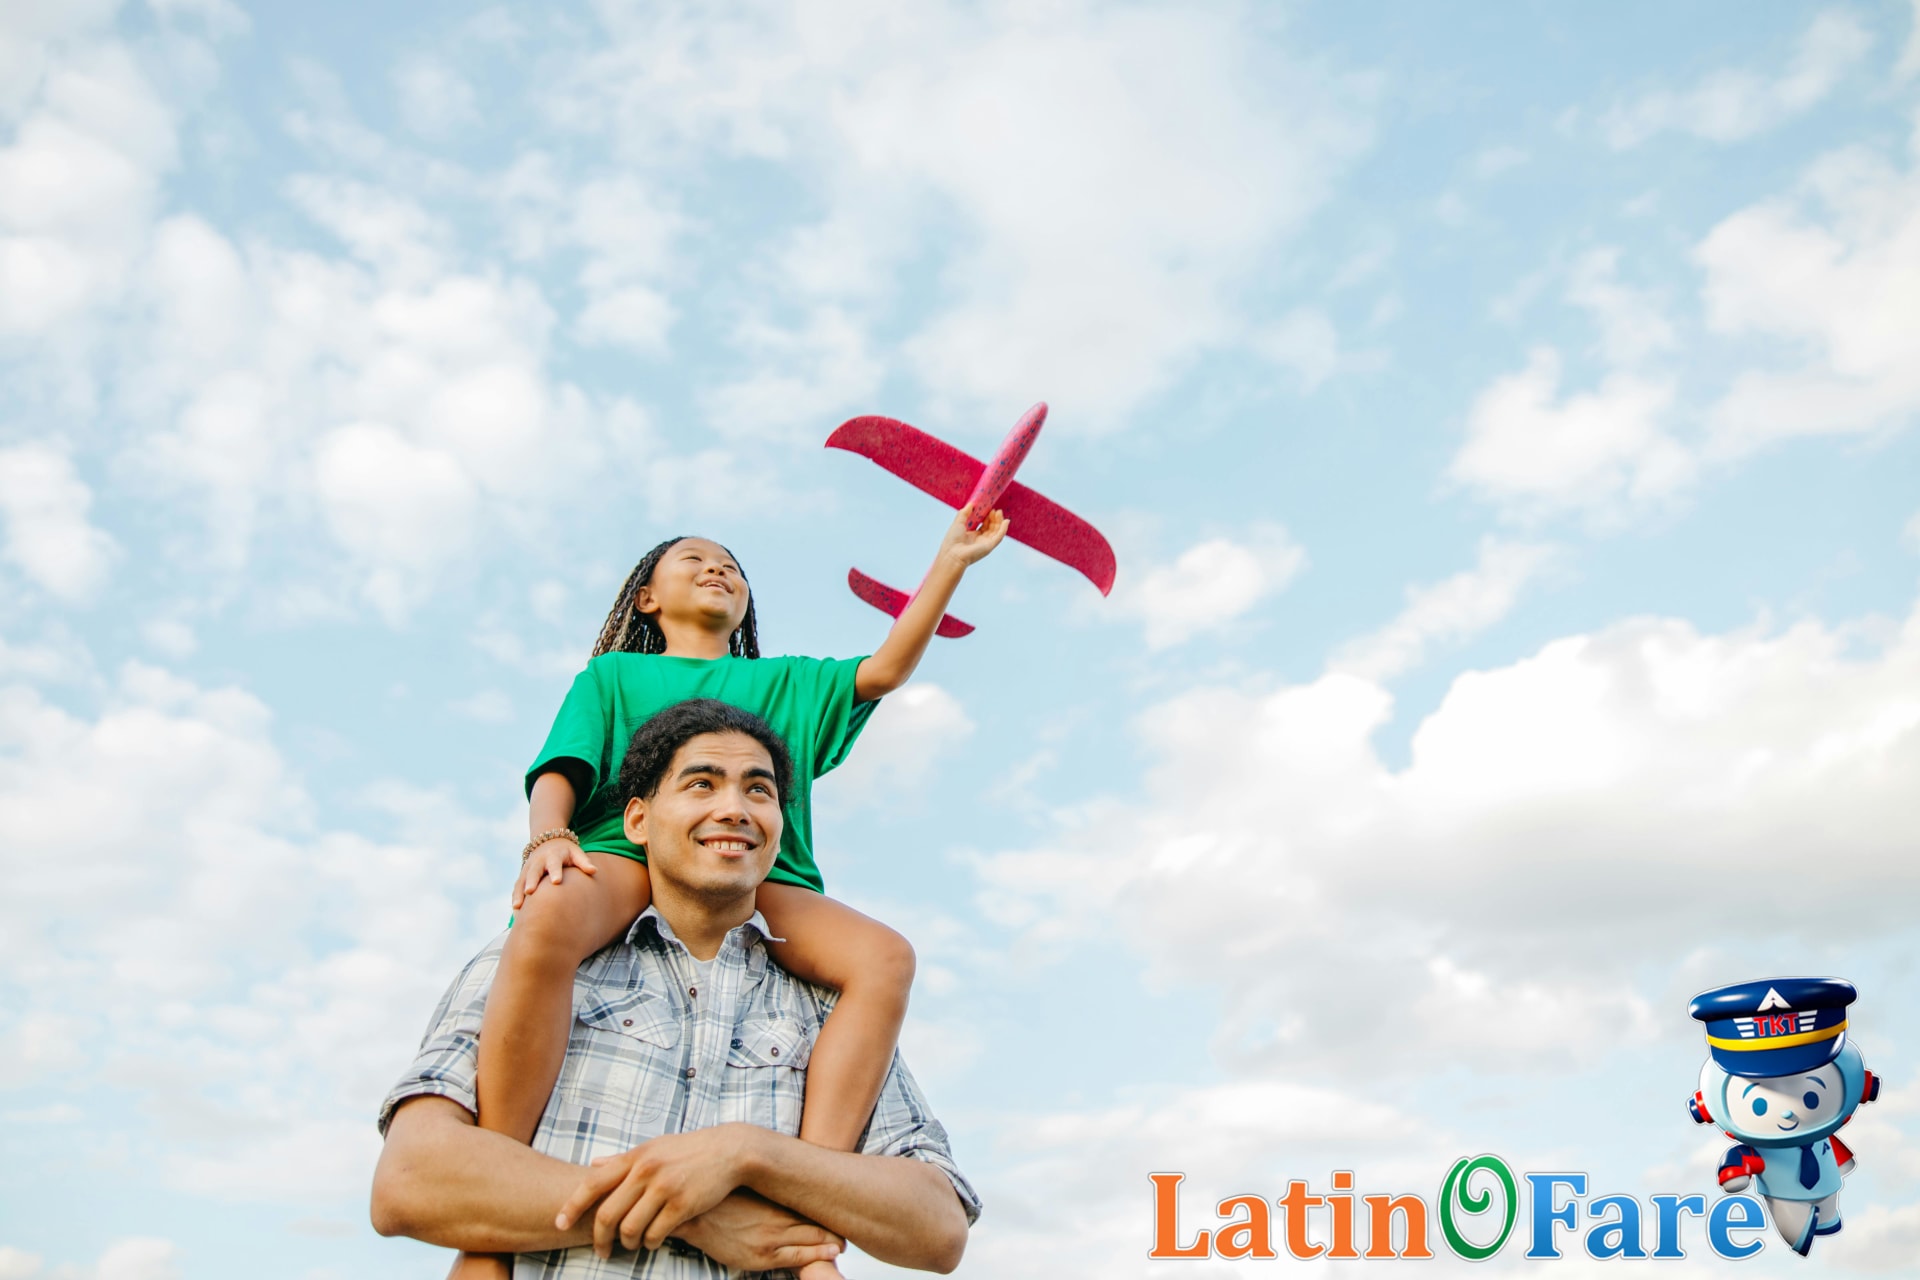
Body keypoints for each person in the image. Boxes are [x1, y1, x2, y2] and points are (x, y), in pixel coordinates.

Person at [467, 516, 1004, 1279]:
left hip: (762, 881)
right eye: (693, 560)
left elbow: (884, 670)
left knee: (885, 957)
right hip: (626, 854)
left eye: (731, 565)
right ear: (647, 598)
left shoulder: (784, 679)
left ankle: (801, 1221)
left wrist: (951, 561)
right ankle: (487, 1226)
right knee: (549, 914)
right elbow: (564, 764)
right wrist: (548, 837)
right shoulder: (614, 676)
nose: (718, 568)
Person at [372, 698, 980, 1276]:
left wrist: (748, 1153)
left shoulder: (827, 1006)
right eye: (701, 784)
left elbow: (938, 1226)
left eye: (759, 790)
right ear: (637, 819)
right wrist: (690, 1216)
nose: (735, 808)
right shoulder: (536, 960)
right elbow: (411, 1181)